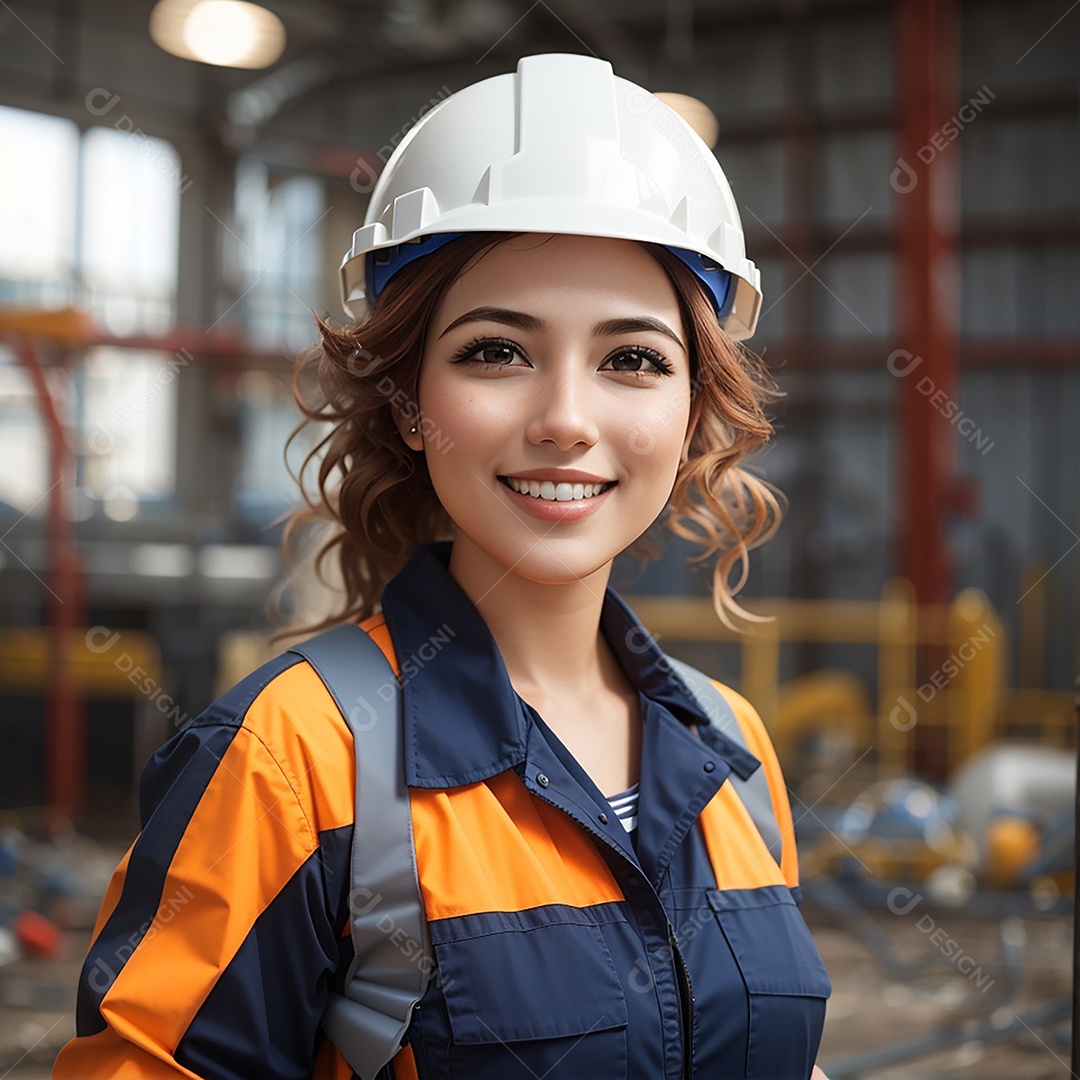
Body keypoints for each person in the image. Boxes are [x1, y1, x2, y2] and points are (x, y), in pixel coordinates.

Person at [55, 53, 832, 1079]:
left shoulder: (733, 751)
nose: (564, 418)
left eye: (633, 359)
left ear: (693, 412)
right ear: (409, 405)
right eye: (496, 352)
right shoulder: (295, 759)